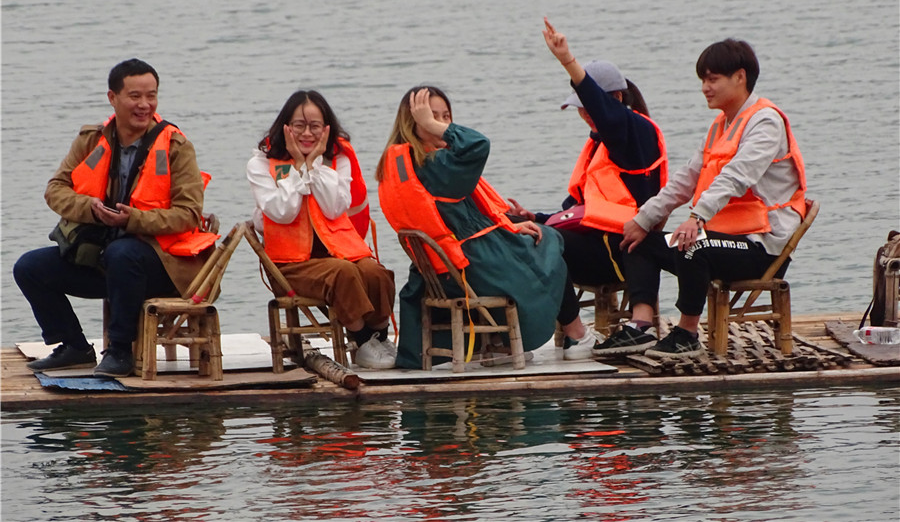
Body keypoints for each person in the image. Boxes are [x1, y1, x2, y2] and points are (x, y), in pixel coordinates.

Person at [14, 58, 218, 377]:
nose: (144, 104)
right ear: (113, 98)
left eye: (151, 96)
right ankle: (74, 347)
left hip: (162, 265)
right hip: (105, 260)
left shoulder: (177, 146)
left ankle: (120, 351)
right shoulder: (91, 139)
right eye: (135, 96)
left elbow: (188, 214)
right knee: (29, 267)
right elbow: (56, 189)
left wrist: (132, 220)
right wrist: (90, 208)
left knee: (123, 254)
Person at [609, 38, 807, 358]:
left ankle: (687, 334)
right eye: (703, 79)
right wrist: (643, 218)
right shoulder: (719, 126)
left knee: (693, 244)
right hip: (722, 239)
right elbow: (685, 181)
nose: (705, 87)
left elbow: (737, 176)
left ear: (739, 77)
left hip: (760, 247)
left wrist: (696, 217)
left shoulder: (765, 122)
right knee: (639, 241)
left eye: (712, 79)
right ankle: (640, 327)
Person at [375, 86, 597, 369]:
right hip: (473, 267)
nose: (443, 124)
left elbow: (454, 216)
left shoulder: (397, 167)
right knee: (549, 242)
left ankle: (501, 343)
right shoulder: (436, 165)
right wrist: (436, 128)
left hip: (438, 273)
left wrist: (511, 224)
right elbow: (478, 144)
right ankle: (576, 335)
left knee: (529, 233)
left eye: (446, 117)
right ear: (413, 123)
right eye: (432, 118)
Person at [508, 18, 669, 357]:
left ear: (616, 99)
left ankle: (578, 335)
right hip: (598, 249)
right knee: (531, 236)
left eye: (588, 106)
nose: (586, 114)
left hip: (629, 252)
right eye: (580, 109)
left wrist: (567, 61)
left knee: (546, 240)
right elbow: (575, 211)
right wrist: (531, 216)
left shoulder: (634, 133)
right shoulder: (596, 149)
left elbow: (609, 115)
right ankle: (571, 331)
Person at [247, 90, 396, 369]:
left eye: (315, 126)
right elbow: (282, 211)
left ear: (327, 129)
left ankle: (379, 336)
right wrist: (299, 167)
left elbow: (333, 208)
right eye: (299, 125)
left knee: (376, 273)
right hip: (289, 265)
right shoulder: (261, 163)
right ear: (285, 127)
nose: (307, 133)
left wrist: (315, 164)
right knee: (344, 273)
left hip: (337, 251)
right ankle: (362, 340)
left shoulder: (339, 159)